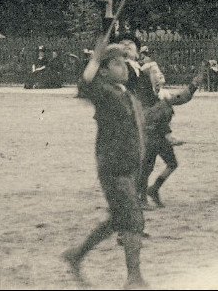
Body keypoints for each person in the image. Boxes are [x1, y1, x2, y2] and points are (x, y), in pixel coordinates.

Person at [62, 33, 147, 289]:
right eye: (118, 64)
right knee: (133, 219)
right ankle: (134, 278)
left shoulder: (124, 93)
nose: (125, 67)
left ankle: (76, 255)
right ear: (105, 71)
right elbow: (83, 86)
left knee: (120, 219)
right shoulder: (104, 92)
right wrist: (95, 59)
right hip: (114, 167)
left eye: (125, 62)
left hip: (128, 166)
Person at [141, 74, 203, 208]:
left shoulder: (160, 94)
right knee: (147, 168)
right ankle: (142, 198)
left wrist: (193, 86)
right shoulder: (148, 97)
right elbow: (156, 120)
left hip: (158, 137)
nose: (160, 80)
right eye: (157, 78)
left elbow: (180, 98)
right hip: (151, 138)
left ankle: (153, 189)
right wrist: (169, 137)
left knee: (171, 164)